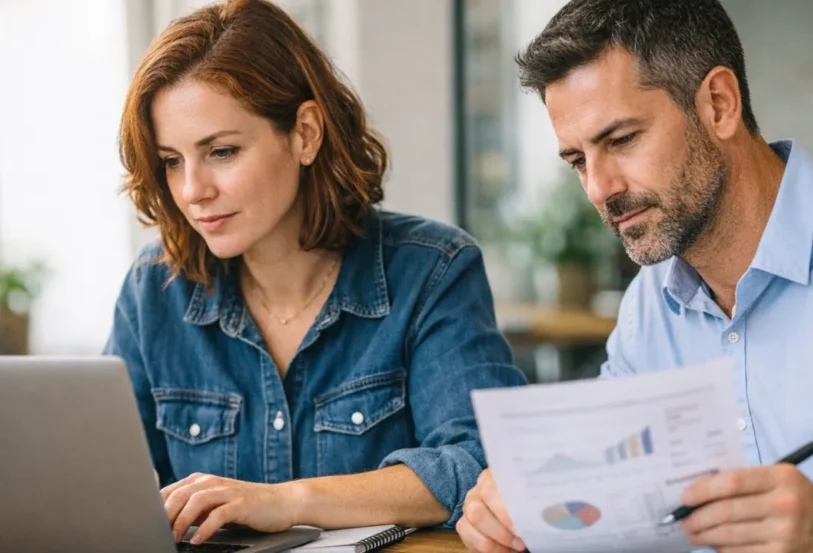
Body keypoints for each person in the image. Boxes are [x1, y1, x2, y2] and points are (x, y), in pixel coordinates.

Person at [456, 1, 813, 552]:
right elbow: (610, 496)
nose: (598, 189)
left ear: (719, 104)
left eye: (621, 140)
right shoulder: (650, 305)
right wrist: (519, 505)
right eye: (578, 161)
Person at [106, 0, 526, 545]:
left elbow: (481, 466)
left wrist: (286, 501)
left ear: (304, 133)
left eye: (222, 151)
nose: (192, 191)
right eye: (171, 161)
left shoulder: (432, 270)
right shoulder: (153, 289)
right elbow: (105, 481)